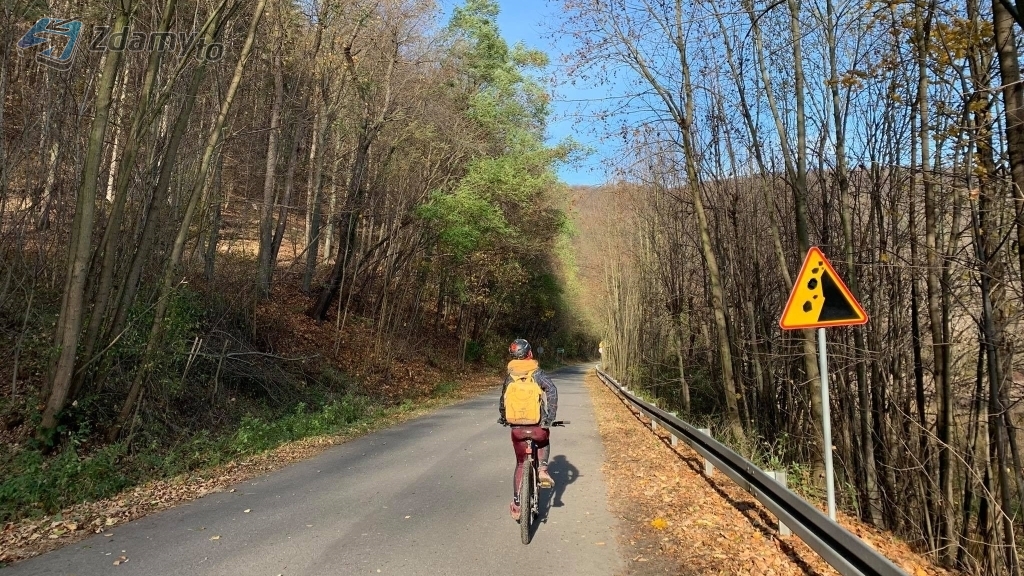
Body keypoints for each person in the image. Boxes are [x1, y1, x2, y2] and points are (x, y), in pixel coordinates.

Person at [497, 338, 558, 521]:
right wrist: (550, 417)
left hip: (517, 429)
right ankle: (543, 469)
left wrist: (503, 417)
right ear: (529, 353)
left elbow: (503, 400)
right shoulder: (536, 373)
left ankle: (517, 504)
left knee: (521, 463)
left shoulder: (511, 375)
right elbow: (552, 390)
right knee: (544, 438)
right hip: (537, 426)